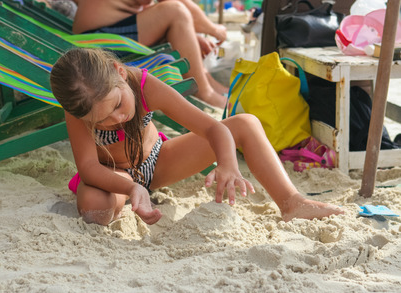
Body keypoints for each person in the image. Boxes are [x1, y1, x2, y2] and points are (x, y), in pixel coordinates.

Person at [50, 47, 345, 226]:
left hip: (157, 162)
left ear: (119, 73)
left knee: (244, 123)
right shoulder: (80, 107)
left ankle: (292, 202)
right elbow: (89, 167)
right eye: (102, 120)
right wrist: (129, 188)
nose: (117, 119)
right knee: (94, 209)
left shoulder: (143, 85)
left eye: (117, 105)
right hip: (111, 175)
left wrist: (228, 163)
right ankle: (132, 198)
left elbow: (213, 128)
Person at [72, 0, 228, 108]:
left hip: (99, 34)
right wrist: (215, 29)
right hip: (98, 42)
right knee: (175, 12)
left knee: (173, 17)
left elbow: (149, 8)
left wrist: (190, 34)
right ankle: (205, 93)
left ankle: (214, 88)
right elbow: (178, 6)